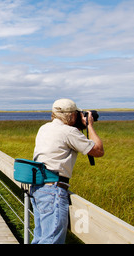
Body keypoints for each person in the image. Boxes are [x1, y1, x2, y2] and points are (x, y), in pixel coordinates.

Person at [30, 98, 104, 244]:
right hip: (53, 190)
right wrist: (89, 126)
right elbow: (98, 150)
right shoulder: (69, 132)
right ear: (71, 115)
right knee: (51, 240)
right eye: (76, 114)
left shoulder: (44, 128)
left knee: (39, 238)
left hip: (37, 187)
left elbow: (67, 138)